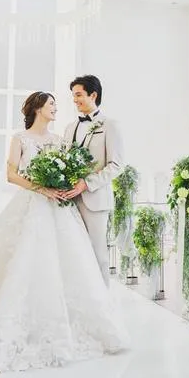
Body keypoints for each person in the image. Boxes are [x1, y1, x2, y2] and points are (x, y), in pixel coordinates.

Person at [0, 91, 128, 372]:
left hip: (60, 207)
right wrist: (43, 188)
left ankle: (72, 325)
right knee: (21, 260)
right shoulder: (20, 138)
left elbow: (72, 170)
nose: (56, 108)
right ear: (38, 108)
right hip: (32, 203)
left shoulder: (60, 140)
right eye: (52, 104)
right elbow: (12, 174)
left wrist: (61, 185)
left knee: (66, 263)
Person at [63, 75, 124, 286]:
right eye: (73, 96)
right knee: (74, 253)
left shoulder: (110, 126)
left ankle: (102, 300)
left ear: (93, 95)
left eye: (79, 95)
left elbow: (116, 165)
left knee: (98, 255)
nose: (75, 100)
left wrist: (86, 183)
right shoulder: (69, 127)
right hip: (69, 201)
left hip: (95, 200)